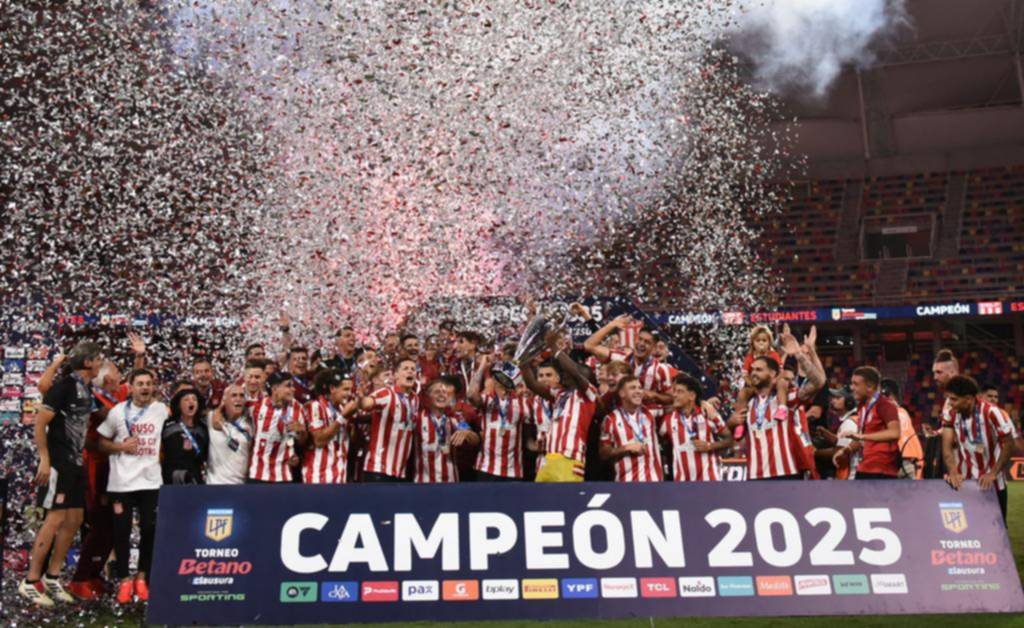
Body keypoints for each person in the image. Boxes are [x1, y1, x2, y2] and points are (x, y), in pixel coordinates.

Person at [20, 341, 103, 608]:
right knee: (54, 519)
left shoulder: (85, 388)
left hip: (76, 464)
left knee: (75, 519)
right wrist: (45, 460)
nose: (100, 363)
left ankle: (53, 576)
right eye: (98, 359)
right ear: (87, 362)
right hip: (58, 463)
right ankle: (31, 581)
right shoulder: (65, 386)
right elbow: (40, 423)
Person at [95, 368, 169, 604]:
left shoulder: (160, 409)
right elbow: (100, 443)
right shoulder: (118, 411)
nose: (145, 387)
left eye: (148, 383)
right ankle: (125, 579)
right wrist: (120, 447)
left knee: (150, 530)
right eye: (140, 383)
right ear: (131, 387)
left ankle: (142, 578)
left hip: (151, 482)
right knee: (121, 531)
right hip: (121, 483)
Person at [522, 332, 598, 483]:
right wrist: (523, 362)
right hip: (549, 458)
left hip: (570, 459)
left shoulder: (588, 395)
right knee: (540, 498)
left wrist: (554, 347)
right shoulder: (559, 394)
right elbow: (532, 384)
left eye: (568, 372)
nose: (564, 374)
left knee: (565, 498)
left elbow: (574, 372)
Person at [942, 375, 1016, 521]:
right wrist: (953, 471)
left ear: (969, 399)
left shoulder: (992, 412)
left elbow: (1009, 443)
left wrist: (993, 473)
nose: (950, 403)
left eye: (954, 399)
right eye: (949, 398)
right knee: (970, 527)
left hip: (993, 483)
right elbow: (947, 446)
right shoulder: (951, 413)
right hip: (965, 482)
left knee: (998, 528)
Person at [584, 315, 674, 405]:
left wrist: (654, 395)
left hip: (644, 412)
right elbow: (589, 345)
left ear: (653, 347)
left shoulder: (661, 369)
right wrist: (612, 325)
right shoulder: (618, 358)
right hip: (616, 411)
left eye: (647, 342)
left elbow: (670, 398)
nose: (641, 343)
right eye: (640, 339)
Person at [467, 355, 531, 481]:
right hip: (485, 468)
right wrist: (482, 367)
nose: (498, 380)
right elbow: (471, 395)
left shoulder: (523, 403)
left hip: (513, 471)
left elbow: (528, 432)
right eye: (496, 376)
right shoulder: (487, 400)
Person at [356, 357, 421, 482]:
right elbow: (366, 403)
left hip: (401, 471)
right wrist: (361, 398)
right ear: (396, 375)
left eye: (413, 369)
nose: (410, 371)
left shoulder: (415, 399)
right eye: (405, 369)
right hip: (378, 469)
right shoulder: (387, 393)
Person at [660, 373, 733, 481]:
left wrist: (710, 446)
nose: (674, 395)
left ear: (692, 396)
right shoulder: (668, 420)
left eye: (679, 391)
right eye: (674, 391)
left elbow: (730, 440)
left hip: (709, 481)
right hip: (682, 484)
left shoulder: (708, 414)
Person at [834, 366, 901, 480]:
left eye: (856, 384)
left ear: (869, 386)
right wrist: (846, 450)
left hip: (882, 468)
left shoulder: (885, 405)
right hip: (865, 466)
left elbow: (895, 433)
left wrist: (862, 436)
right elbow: (862, 437)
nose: (852, 388)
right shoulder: (862, 407)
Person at [412, 378, 479, 483]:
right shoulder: (417, 418)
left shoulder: (455, 419)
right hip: (423, 482)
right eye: (437, 392)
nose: (442, 395)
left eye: (445, 393)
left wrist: (467, 433)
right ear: (428, 396)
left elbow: (476, 440)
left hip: (451, 482)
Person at [599, 376, 664, 482]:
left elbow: (675, 405)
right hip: (627, 483)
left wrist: (700, 403)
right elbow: (603, 454)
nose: (638, 391)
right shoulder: (610, 419)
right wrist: (626, 448)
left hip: (654, 481)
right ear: (622, 393)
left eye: (640, 388)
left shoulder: (650, 413)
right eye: (633, 388)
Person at [248, 372, 307, 483]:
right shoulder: (256, 407)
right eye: (288, 386)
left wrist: (302, 431)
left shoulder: (298, 408)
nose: (293, 389)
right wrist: (218, 413)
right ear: (275, 389)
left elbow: (302, 442)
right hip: (257, 475)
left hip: (284, 475)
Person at [303, 369, 356, 484]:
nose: (349, 394)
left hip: (340, 477)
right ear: (332, 388)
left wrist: (354, 422)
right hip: (318, 478)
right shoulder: (316, 406)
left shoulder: (343, 409)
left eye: (351, 390)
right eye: (345, 389)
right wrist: (342, 418)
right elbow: (319, 440)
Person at [162, 388, 209, 484]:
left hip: (197, 479)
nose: (191, 402)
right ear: (179, 405)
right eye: (186, 399)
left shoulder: (203, 428)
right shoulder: (168, 426)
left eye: (194, 399)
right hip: (172, 479)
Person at [206, 385, 251, 485]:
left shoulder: (250, 424)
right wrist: (220, 408)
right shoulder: (211, 418)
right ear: (224, 400)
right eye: (234, 395)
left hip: (240, 485)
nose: (238, 399)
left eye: (241, 395)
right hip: (214, 484)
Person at [881, 378, 923, 479]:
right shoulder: (903, 411)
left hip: (899, 463)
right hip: (912, 461)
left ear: (886, 394)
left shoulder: (888, 413)